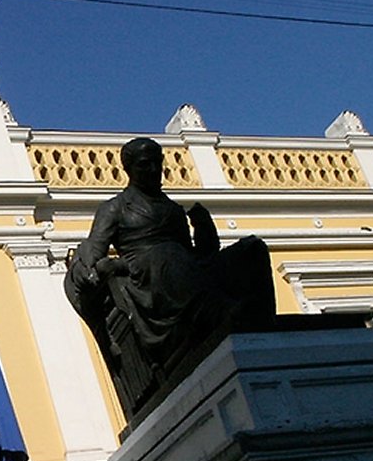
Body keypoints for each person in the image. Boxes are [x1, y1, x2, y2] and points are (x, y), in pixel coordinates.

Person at [66, 137, 275, 375]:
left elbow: (195, 259)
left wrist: (205, 231)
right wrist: (105, 267)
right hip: (144, 279)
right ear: (128, 168)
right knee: (167, 254)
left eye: (157, 162)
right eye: (145, 164)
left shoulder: (173, 210)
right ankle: (218, 311)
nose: (154, 170)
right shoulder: (114, 208)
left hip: (175, 274)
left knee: (252, 249)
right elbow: (93, 255)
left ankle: (263, 322)